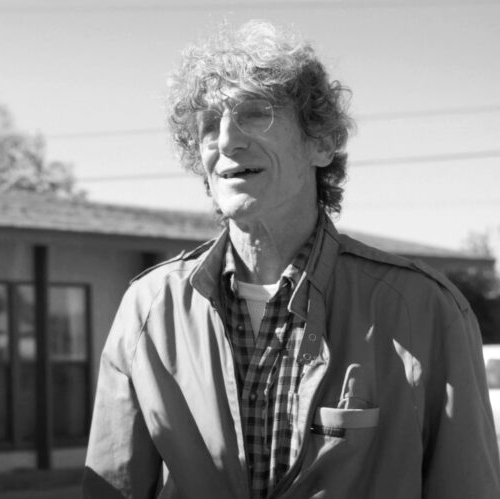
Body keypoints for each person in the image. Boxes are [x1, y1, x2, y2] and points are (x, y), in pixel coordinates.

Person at [83, 20, 500, 498]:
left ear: (321, 143)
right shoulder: (150, 309)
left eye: (255, 113)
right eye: (207, 126)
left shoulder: (423, 308)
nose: (226, 141)